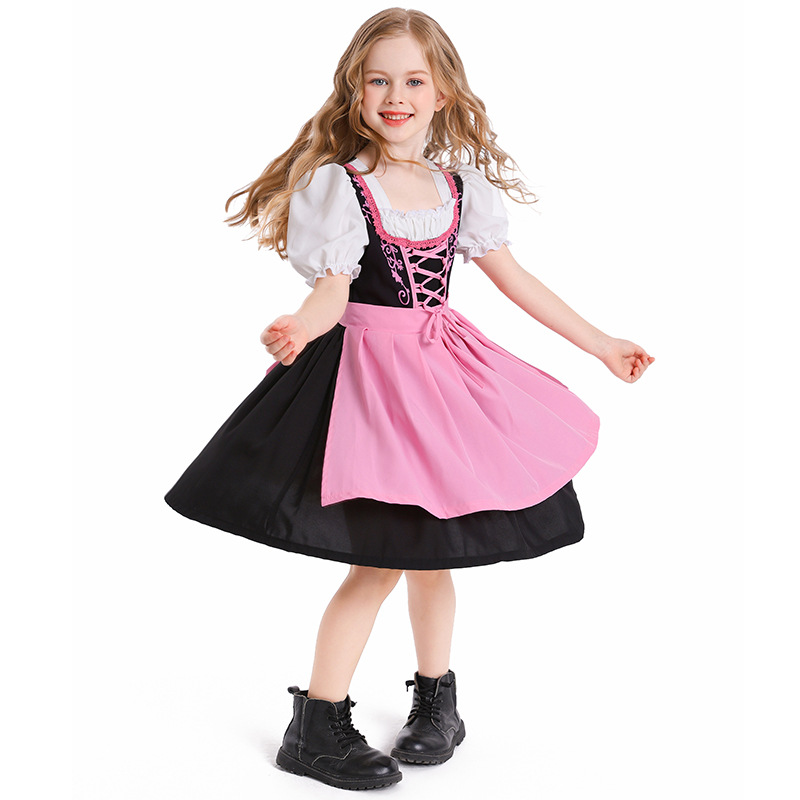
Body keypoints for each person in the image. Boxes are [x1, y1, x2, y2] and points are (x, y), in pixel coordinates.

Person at [164, 7, 654, 792]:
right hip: (370, 387)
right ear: (355, 91)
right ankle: (316, 724)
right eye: (379, 80)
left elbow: (515, 280)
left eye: (414, 81)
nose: (396, 96)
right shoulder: (342, 187)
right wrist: (300, 327)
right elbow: (333, 291)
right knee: (379, 561)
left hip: (441, 380)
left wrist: (600, 343)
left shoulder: (458, 189)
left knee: (434, 555)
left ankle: (436, 704)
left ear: (443, 93)